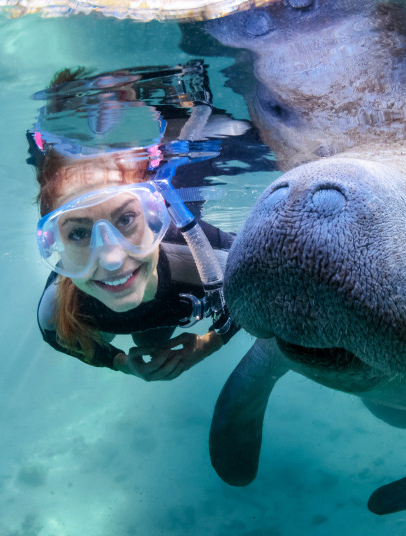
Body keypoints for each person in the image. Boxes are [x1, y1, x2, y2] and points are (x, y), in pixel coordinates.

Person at [30, 63, 246, 381]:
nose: (113, 258)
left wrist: (208, 344)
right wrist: (120, 362)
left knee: (152, 340)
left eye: (127, 218)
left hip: (168, 308)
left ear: (156, 214)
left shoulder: (211, 260)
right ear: (55, 243)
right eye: (77, 232)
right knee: (135, 337)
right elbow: (59, 337)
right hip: (153, 311)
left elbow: (255, 288)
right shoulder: (57, 311)